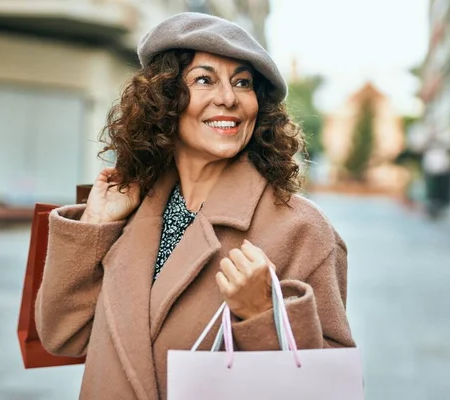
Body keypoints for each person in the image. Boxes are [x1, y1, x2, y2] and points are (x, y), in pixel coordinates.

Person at [35, 12, 355, 400]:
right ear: (164, 99)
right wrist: (96, 226)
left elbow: (325, 387)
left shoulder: (301, 229)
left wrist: (260, 315)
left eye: (243, 83)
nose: (228, 98)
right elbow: (63, 336)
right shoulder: (130, 208)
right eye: (204, 79)